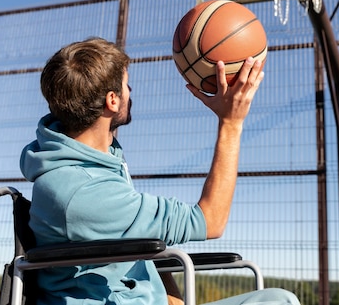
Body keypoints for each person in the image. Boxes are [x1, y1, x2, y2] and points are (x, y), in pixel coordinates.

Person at [20, 37, 301, 305]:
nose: (131, 92)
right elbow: (210, 220)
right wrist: (231, 122)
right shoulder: (83, 191)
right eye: (127, 86)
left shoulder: (95, 160)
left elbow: (143, 243)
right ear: (112, 101)